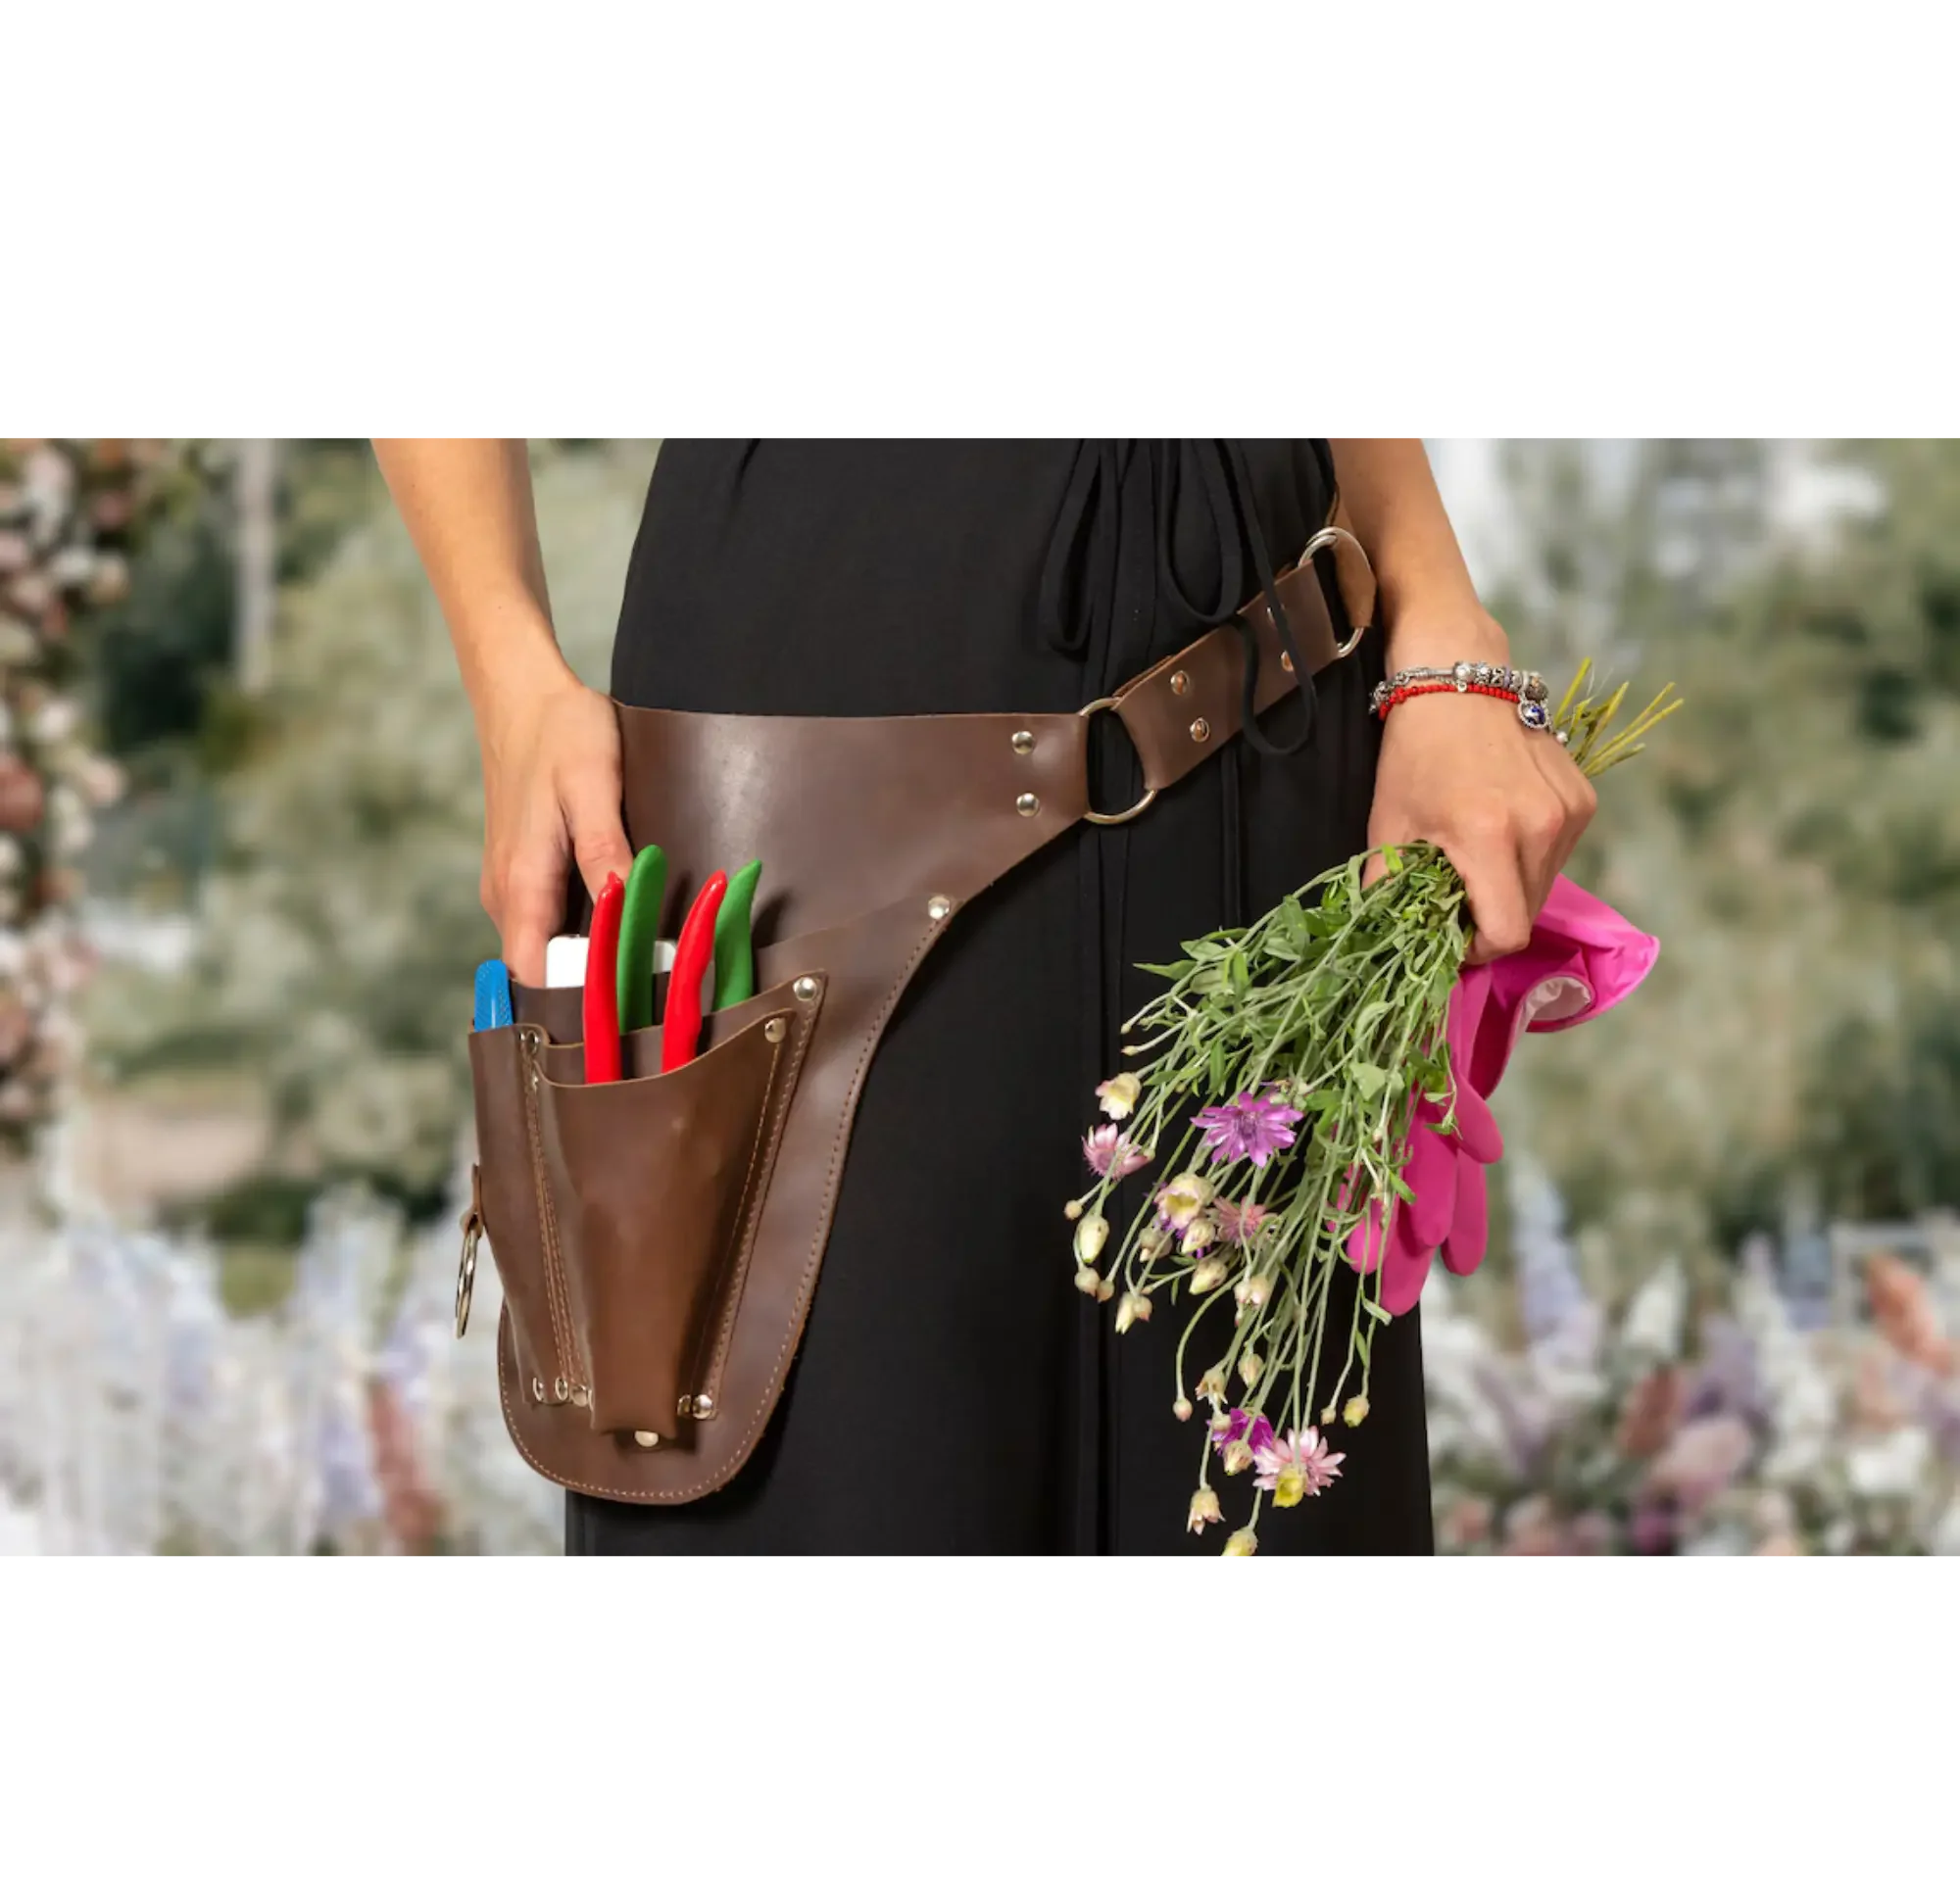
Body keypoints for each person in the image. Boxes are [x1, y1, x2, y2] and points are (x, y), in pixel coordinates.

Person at [372, 434, 1595, 1563]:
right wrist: (511, 683)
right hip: (810, 752)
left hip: (1267, 724)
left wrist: (1439, 632)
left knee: (1270, 1509)